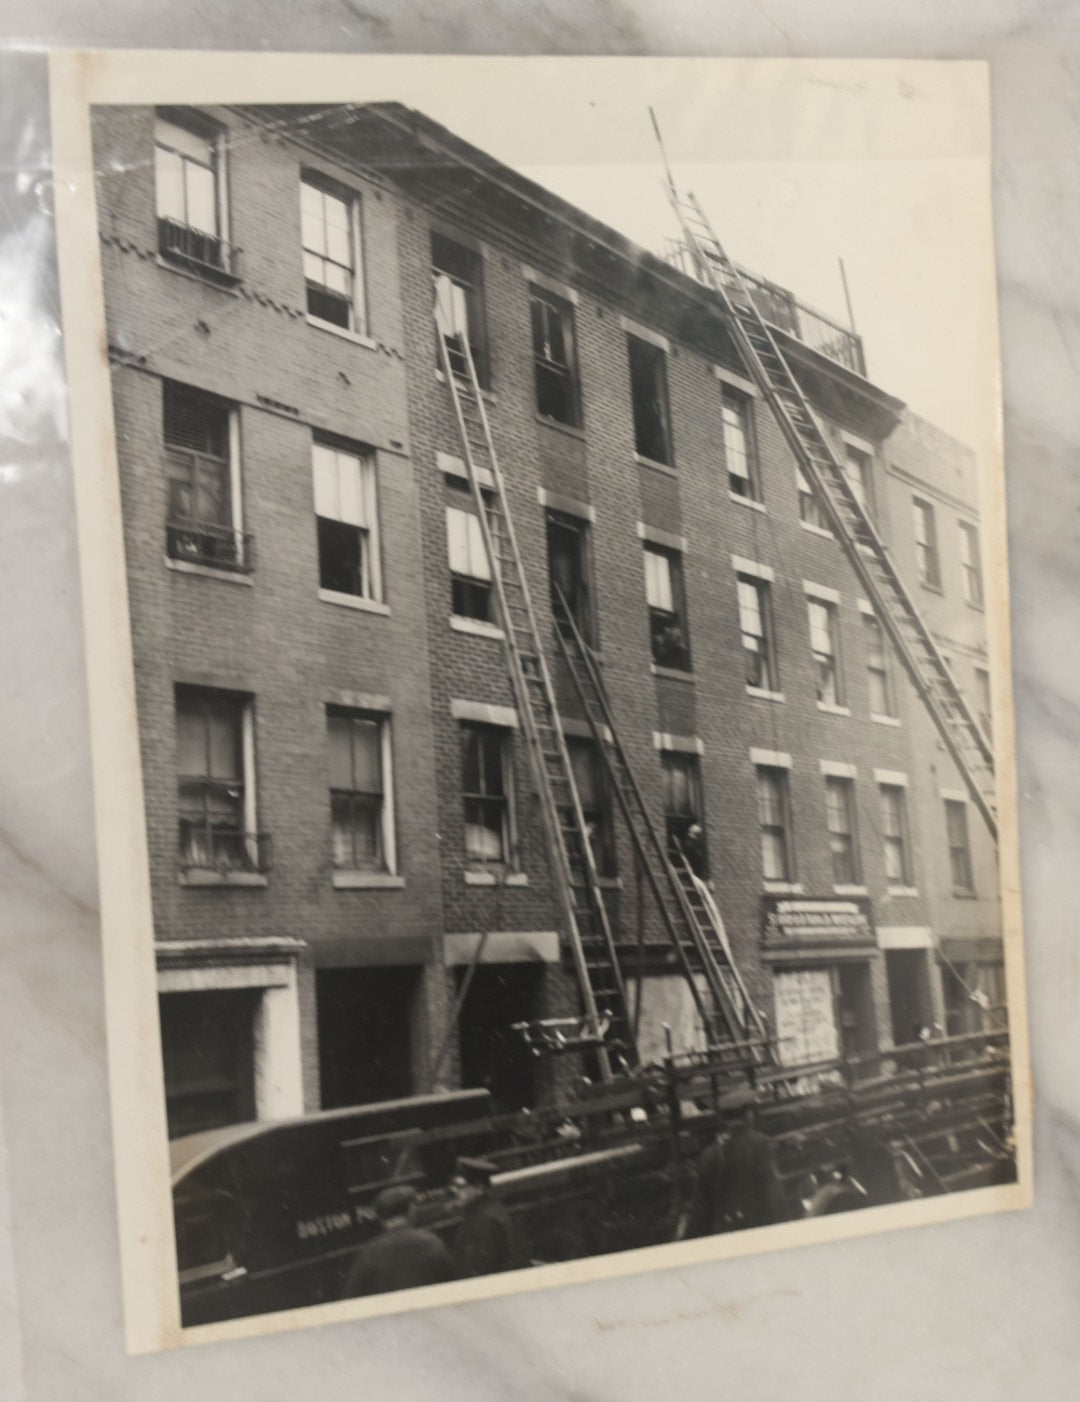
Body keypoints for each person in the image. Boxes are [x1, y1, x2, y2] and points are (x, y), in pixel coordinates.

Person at [341, 1184, 456, 1299]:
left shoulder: (369, 1252)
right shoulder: (431, 1242)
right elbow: (452, 1284)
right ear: (411, 1209)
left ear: (380, 1217)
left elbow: (351, 1297)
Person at [714, 1102, 787, 1231]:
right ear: (747, 1115)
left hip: (735, 1218)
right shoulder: (761, 1142)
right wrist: (782, 1218)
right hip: (760, 1214)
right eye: (751, 1112)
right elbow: (771, 1185)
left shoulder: (721, 1148)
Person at [451, 1157, 523, 1278]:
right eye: (454, 1186)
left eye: (461, 1186)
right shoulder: (486, 1210)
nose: (455, 1191)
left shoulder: (484, 1220)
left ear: (479, 1188)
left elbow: (479, 1270)